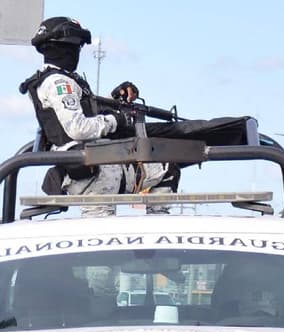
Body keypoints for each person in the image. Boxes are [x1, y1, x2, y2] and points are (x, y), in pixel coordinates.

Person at [18, 16, 175, 217]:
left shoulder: (52, 80)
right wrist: (115, 120)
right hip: (94, 170)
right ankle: (158, 229)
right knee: (167, 167)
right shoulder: (60, 83)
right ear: (67, 46)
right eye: (77, 46)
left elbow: (82, 113)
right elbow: (78, 127)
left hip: (92, 167)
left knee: (99, 230)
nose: (78, 51)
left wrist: (114, 99)